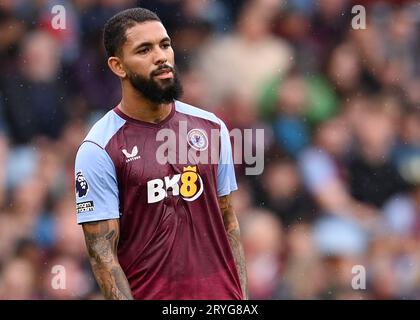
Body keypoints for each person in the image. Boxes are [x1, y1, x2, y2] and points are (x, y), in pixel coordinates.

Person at [74, 7, 247, 300]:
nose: (161, 56)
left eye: (165, 45)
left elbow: (228, 222)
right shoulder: (99, 149)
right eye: (144, 50)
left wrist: (241, 298)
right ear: (118, 66)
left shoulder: (212, 128)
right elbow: (103, 258)